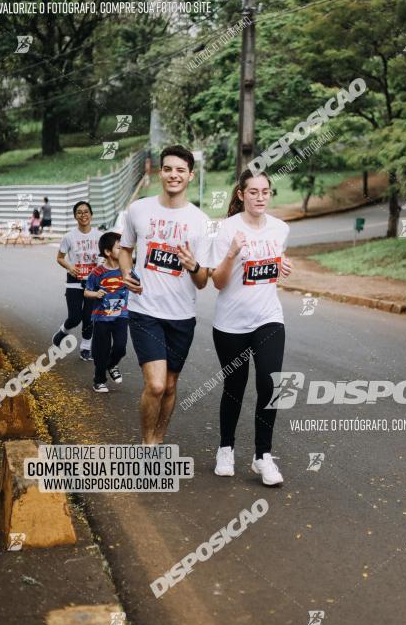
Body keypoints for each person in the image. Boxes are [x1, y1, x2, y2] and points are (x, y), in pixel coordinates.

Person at [119, 145, 211, 445]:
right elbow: (125, 250)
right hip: (145, 310)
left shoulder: (201, 222)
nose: (174, 175)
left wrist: (192, 265)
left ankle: (159, 437)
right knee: (156, 385)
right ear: (161, 172)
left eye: (180, 170)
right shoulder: (139, 210)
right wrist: (124, 274)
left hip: (182, 315)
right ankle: (148, 443)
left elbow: (202, 282)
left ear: (190, 175)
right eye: (168, 169)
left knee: (171, 386)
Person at [210, 170, 292, 486]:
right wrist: (232, 252)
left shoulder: (280, 228)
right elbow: (217, 282)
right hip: (231, 323)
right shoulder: (226, 229)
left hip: (268, 318)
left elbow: (273, 263)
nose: (260, 197)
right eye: (253, 192)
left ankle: (263, 457)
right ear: (241, 194)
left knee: (270, 385)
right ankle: (226, 449)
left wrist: (283, 265)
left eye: (265, 192)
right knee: (235, 388)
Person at [52, 201, 102, 360]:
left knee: (89, 318)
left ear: (91, 215)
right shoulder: (69, 237)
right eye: (79, 212)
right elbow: (60, 258)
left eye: (86, 212)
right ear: (75, 216)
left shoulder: (99, 236)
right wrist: (70, 267)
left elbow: (106, 257)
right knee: (75, 317)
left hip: (93, 283)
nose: (83, 215)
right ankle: (62, 333)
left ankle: (85, 348)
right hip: (74, 282)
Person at [84, 232, 129, 393]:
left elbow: (136, 283)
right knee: (100, 350)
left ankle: (112, 364)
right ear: (108, 252)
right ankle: (99, 380)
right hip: (102, 317)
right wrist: (95, 294)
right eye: (119, 247)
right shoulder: (97, 273)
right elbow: (86, 292)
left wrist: (137, 287)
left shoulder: (125, 270)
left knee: (120, 347)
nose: (123, 250)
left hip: (121, 316)